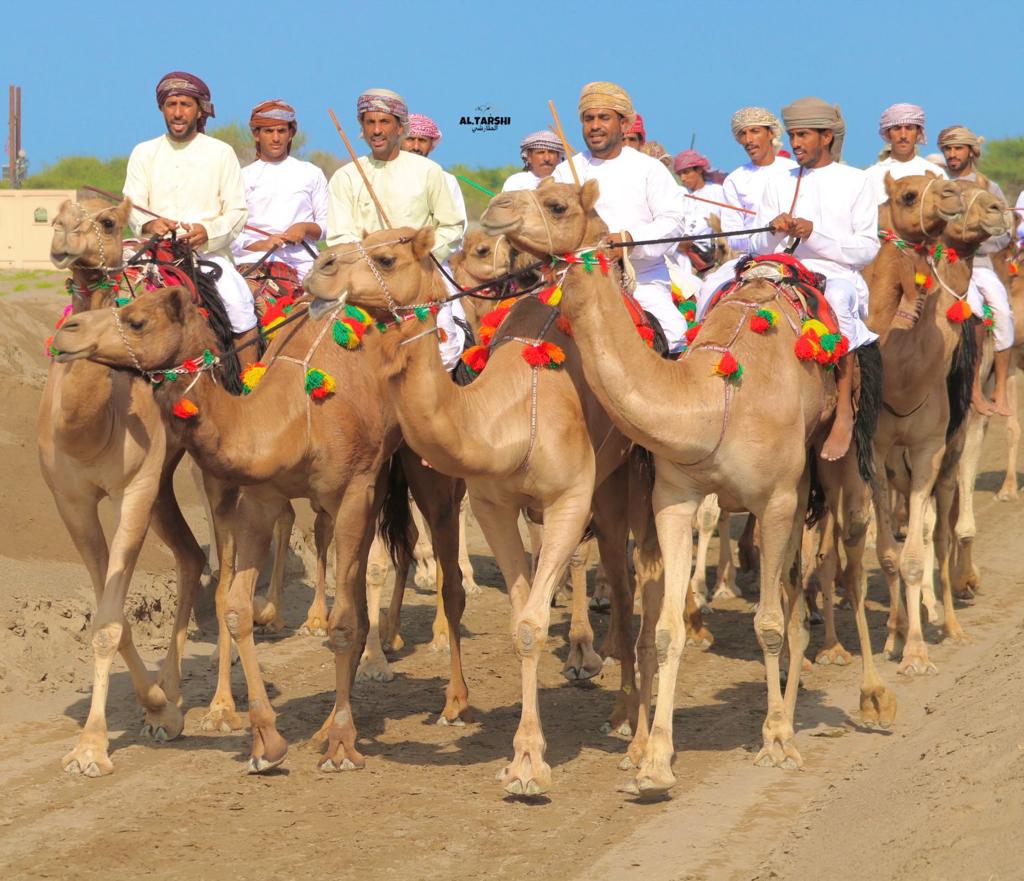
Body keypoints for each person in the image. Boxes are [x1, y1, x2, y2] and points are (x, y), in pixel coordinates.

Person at [750, 97, 880, 461]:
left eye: (803, 135)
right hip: (780, 273)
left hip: (835, 275)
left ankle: (844, 410)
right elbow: (757, 245)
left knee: (837, 300)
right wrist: (772, 230)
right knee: (719, 288)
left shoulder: (856, 181)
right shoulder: (777, 182)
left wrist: (813, 234)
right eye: (792, 135)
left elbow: (866, 248)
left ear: (826, 137)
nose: (795, 143)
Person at [326, 91, 465, 371]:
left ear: (400, 128)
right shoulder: (346, 176)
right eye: (370, 122)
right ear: (362, 127)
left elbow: (452, 227)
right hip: (364, 278)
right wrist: (375, 265)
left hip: (421, 274)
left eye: (385, 122)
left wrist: (415, 257)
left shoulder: (429, 171)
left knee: (447, 346)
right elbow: (340, 236)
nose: (376, 130)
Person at [552, 81, 688, 352]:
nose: (594, 126)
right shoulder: (566, 172)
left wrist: (629, 240)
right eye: (588, 119)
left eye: (604, 117)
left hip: (641, 281)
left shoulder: (648, 168)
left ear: (624, 124)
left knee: (673, 335)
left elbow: (673, 222)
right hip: (579, 280)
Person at [124, 71, 255, 339]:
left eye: (185, 104)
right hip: (152, 253)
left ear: (199, 110)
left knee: (239, 309)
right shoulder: (143, 152)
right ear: (161, 108)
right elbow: (132, 204)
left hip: (207, 255)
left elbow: (237, 211)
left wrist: (207, 232)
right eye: (171, 105)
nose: (177, 113)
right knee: (110, 297)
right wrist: (150, 223)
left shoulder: (221, 152)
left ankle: (249, 367)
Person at [939, 124, 1015, 415]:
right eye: (948, 148)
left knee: (1003, 314)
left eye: (958, 148)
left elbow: (1004, 232)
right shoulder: (940, 185)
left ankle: (999, 389)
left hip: (980, 263)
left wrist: (973, 242)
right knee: (973, 314)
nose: (952, 154)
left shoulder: (988, 186)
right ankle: (972, 390)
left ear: (971, 151)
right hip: (947, 265)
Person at [696, 107, 798, 314]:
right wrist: (764, 234)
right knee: (706, 289)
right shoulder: (735, 179)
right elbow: (734, 240)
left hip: (796, 255)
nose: (748, 140)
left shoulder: (794, 170)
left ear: (771, 133)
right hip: (751, 259)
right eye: (743, 134)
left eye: (755, 131)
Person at [399, 112, 471, 369]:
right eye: (410, 139)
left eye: (423, 140)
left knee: (453, 339)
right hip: (389, 267)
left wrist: (422, 254)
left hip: (435, 267)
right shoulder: (381, 176)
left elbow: (457, 232)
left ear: (432, 145)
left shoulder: (446, 180)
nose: (416, 146)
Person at [231, 99, 328, 280]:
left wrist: (304, 228)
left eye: (281, 131)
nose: (276, 138)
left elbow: (327, 225)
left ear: (291, 134)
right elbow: (231, 234)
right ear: (256, 134)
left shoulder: (311, 173)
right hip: (255, 261)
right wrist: (263, 244)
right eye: (269, 131)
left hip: (305, 262)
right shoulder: (241, 177)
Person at [864, 103, 946, 204]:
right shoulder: (870, 176)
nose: (903, 135)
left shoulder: (936, 173)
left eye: (909, 128)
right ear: (888, 134)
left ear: (918, 132)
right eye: (897, 128)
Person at [673, 148, 726, 274]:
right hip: (681, 254)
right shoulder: (682, 196)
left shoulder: (717, 192)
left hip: (711, 258)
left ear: (699, 170)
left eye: (686, 172)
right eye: (680, 174)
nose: (683, 178)